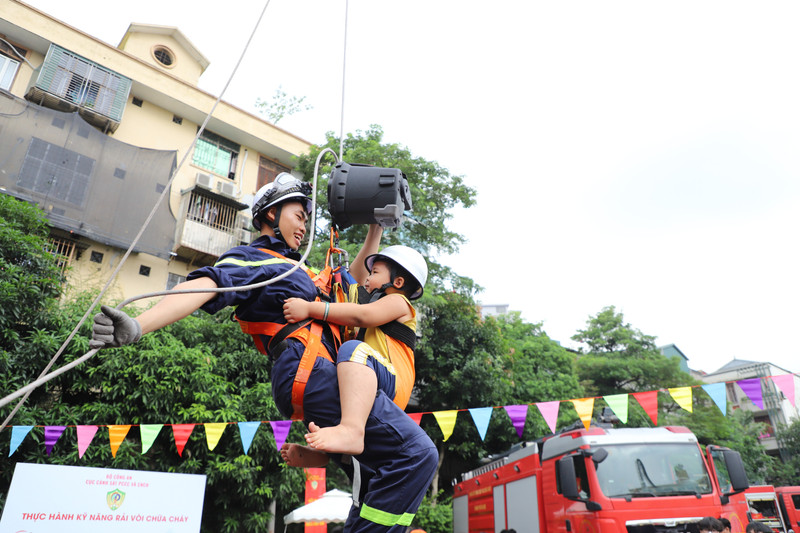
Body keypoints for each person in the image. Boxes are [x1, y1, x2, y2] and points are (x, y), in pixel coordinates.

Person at [90, 173, 438, 533]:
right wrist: (139, 325)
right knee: (418, 455)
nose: (305, 226)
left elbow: (349, 281)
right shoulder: (263, 260)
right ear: (271, 213)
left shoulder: (301, 275)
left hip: (319, 381)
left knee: (380, 466)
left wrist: (375, 228)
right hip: (314, 374)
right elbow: (208, 284)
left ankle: (354, 487)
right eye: (299, 215)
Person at [283, 244, 426, 456]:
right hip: (373, 377)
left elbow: (361, 315)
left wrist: (309, 308)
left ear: (397, 282)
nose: (368, 277)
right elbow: (353, 279)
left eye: (375, 272)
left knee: (354, 349)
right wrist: (374, 228)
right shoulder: (375, 301)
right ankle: (326, 454)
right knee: (327, 384)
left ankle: (351, 431)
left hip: (393, 381)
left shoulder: (399, 302)